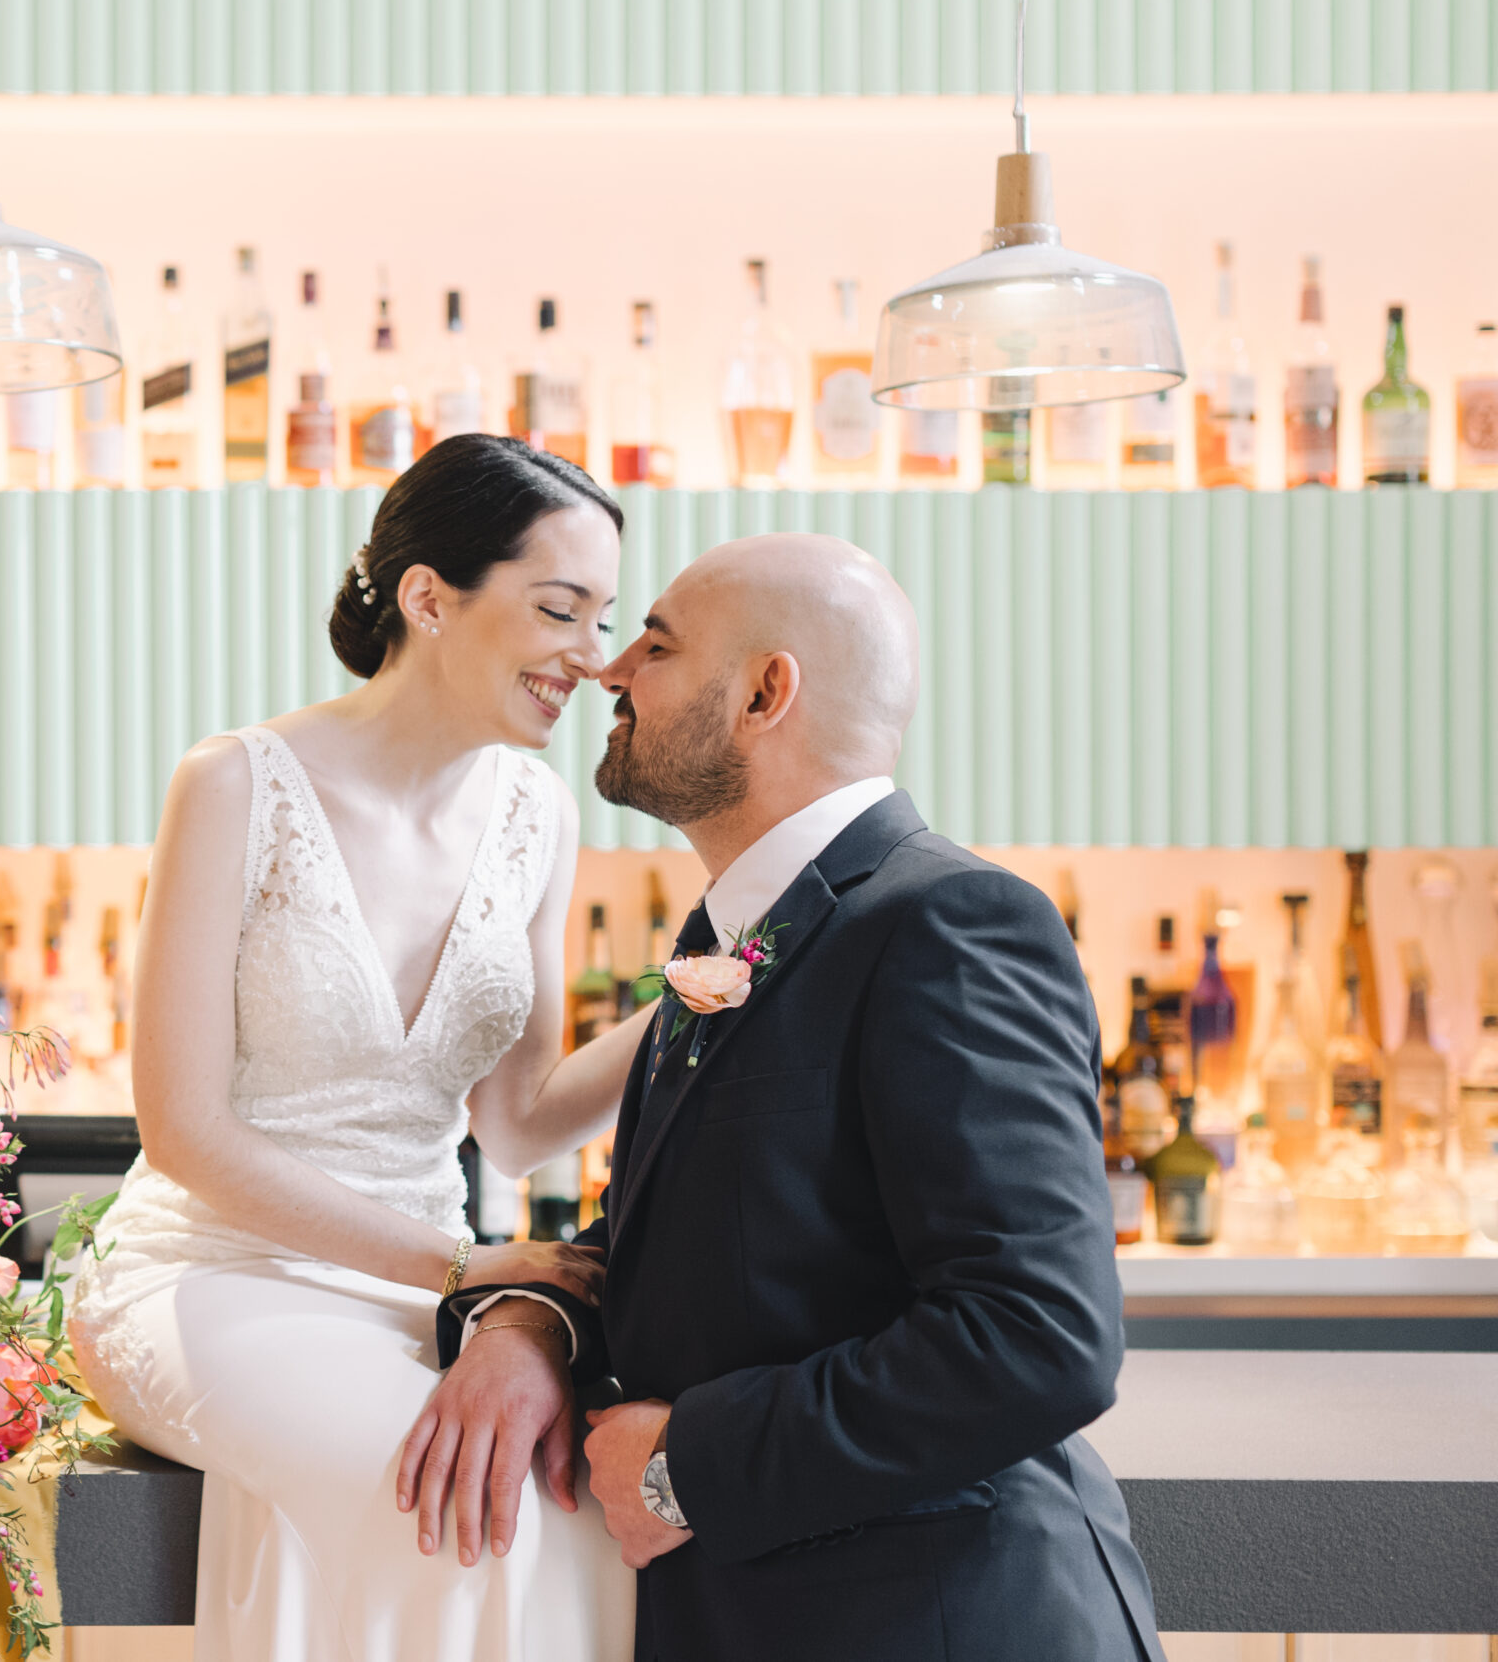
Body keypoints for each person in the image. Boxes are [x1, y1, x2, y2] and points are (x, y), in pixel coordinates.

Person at [403, 532, 1167, 1662]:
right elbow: (689, 1245)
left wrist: (685, 1465)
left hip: (940, 1620)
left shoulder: (948, 922)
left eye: (652, 645)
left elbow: (1035, 1334)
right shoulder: (737, 937)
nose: (607, 671)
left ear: (765, 693)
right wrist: (531, 1323)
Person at [68, 434, 648, 1661]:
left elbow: (520, 1117)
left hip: (416, 1295)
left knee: (573, 1507)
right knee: (442, 1508)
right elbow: (184, 1132)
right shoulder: (234, 783)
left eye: (604, 621)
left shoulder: (537, 815)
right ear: (431, 597)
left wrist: (710, 998)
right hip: (209, 1277)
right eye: (560, 611)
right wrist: (472, 1271)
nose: (591, 661)